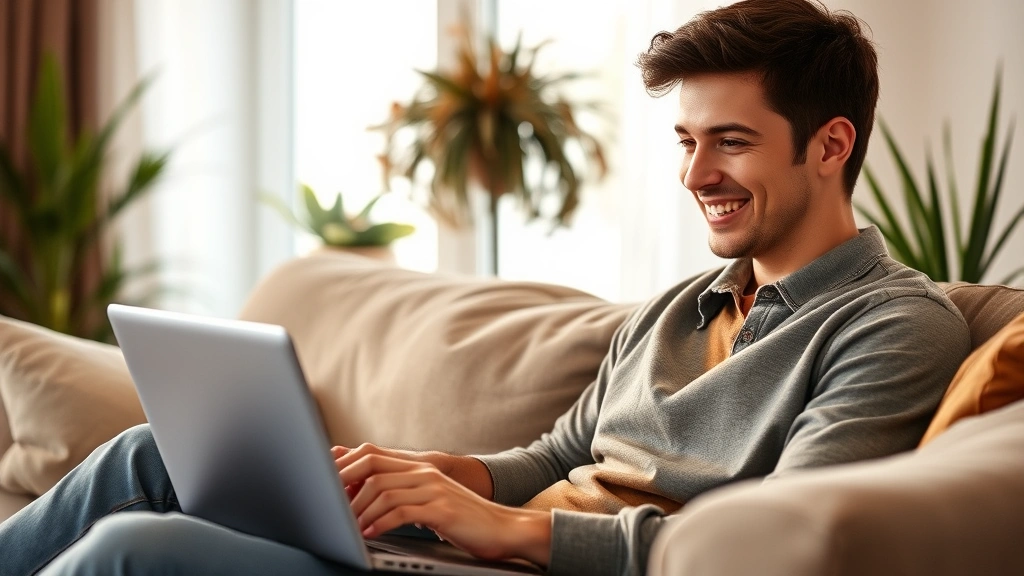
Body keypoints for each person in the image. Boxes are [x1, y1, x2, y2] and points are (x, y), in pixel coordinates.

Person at [0, 0, 971, 575]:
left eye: (730, 141)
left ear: (830, 146)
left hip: (538, 567)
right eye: (686, 140)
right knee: (151, 454)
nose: (694, 174)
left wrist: (510, 529)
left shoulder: (892, 325)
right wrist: (424, 473)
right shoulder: (680, 307)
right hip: (486, 550)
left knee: (135, 551)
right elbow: (556, 454)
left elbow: (773, 544)